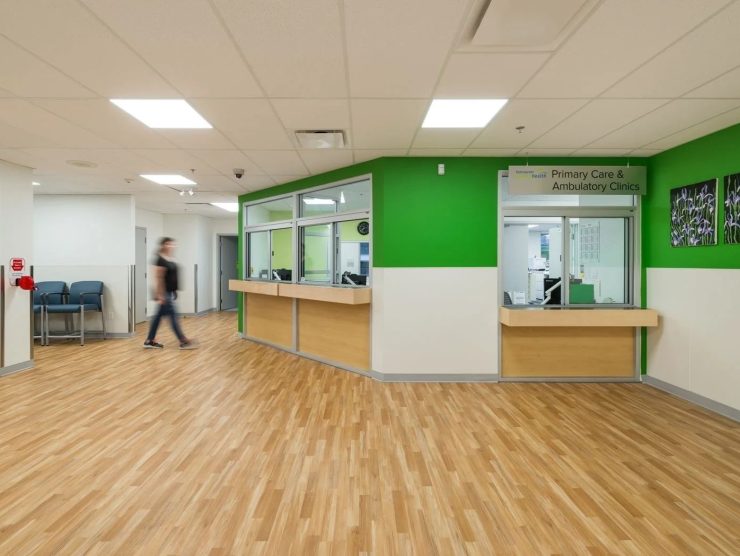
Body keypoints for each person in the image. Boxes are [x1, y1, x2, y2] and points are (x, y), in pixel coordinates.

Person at [143, 237, 196, 349]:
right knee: (173, 316)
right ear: (163, 245)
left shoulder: (170, 258)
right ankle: (183, 340)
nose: (171, 246)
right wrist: (160, 295)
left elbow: (172, 276)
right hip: (165, 293)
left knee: (158, 317)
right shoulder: (160, 259)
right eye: (168, 244)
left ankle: (150, 340)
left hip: (170, 292)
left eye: (172, 244)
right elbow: (159, 278)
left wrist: (174, 290)